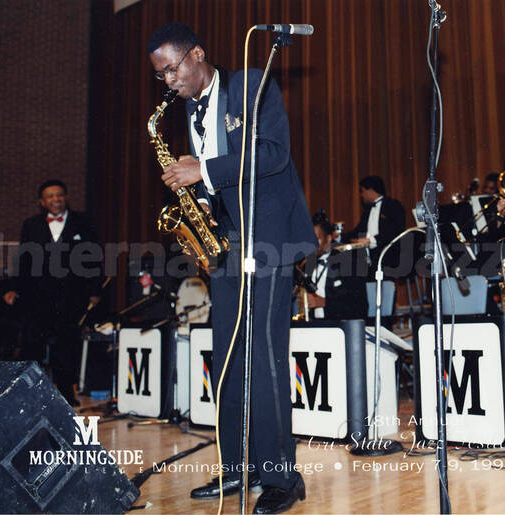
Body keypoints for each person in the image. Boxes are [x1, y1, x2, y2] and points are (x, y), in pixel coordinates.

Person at [147, 23, 315, 513]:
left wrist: (204, 169)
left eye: (172, 70)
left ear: (197, 54)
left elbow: (275, 155)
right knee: (227, 358)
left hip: (269, 240)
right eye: (161, 77)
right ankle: (238, 466)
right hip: (225, 243)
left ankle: (283, 477)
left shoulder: (251, 83)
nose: (169, 83)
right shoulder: (188, 110)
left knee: (263, 357)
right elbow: (217, 181)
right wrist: (194, 192)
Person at [17, 180, 102, 406]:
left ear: (65, 198)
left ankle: (66, 394)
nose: (56, 199)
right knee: (33, 345)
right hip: (38, 297)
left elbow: (94, 258)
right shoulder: (31, 225)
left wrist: (94, 291)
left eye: (59, 195)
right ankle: (31, 395)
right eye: (50, 196)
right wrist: (18, 290)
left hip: (71, 297)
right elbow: (24, 262)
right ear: (42, 202)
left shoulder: (83, 223)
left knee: (67, 346)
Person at [299, 214, 368, 320]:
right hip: (312, 327)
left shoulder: (349, 263)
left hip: (338, 328)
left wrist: (322, 302)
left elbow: (359, 306)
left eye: (316, 239)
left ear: (329, 238)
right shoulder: (307, 264)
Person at [343, 175, 406, 271]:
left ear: (370, 191)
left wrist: (371, 241)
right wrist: (339, 237)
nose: (361, 195)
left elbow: (396, 230)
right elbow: (358, 231)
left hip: (387, 255)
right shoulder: (367, 212)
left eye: (362, 191)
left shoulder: (393, 206)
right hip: (369, 258)